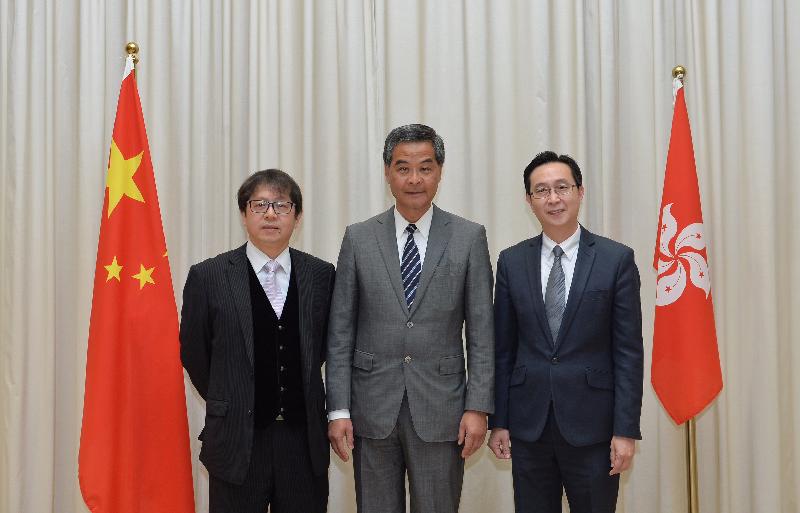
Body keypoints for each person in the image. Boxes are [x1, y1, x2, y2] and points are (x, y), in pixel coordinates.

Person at [326, 124, 495, 513]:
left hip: (443, 409)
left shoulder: (469, 237)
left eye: (425, 167)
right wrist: (338, 410)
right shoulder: (359, 237)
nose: (414, 179)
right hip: (371, 410)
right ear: (387, 172)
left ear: (440, 171)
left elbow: (483, 333)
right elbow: (340, 332)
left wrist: (478, 407)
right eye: (403, 167)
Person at [488, 151, 643, 513]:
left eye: (562, 187)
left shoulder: (615, 259)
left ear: (580, 192)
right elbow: (504, 349)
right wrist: (500, 422)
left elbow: (628, 353)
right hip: (529, 426)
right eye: (541, 190)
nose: (553, 198)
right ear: (529, 200)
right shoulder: (511, 262)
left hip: (595, 427)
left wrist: (625, 430)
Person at [180, 169, 334, 513]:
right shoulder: (208, 276)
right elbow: (194, 353)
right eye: (259, 204)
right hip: (236, 440)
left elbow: (328, 348)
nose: (270, 214)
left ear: (297, 217)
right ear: (243, 214)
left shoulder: (322, 275)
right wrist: (231, 394)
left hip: (302, 443)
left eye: (281, 205)